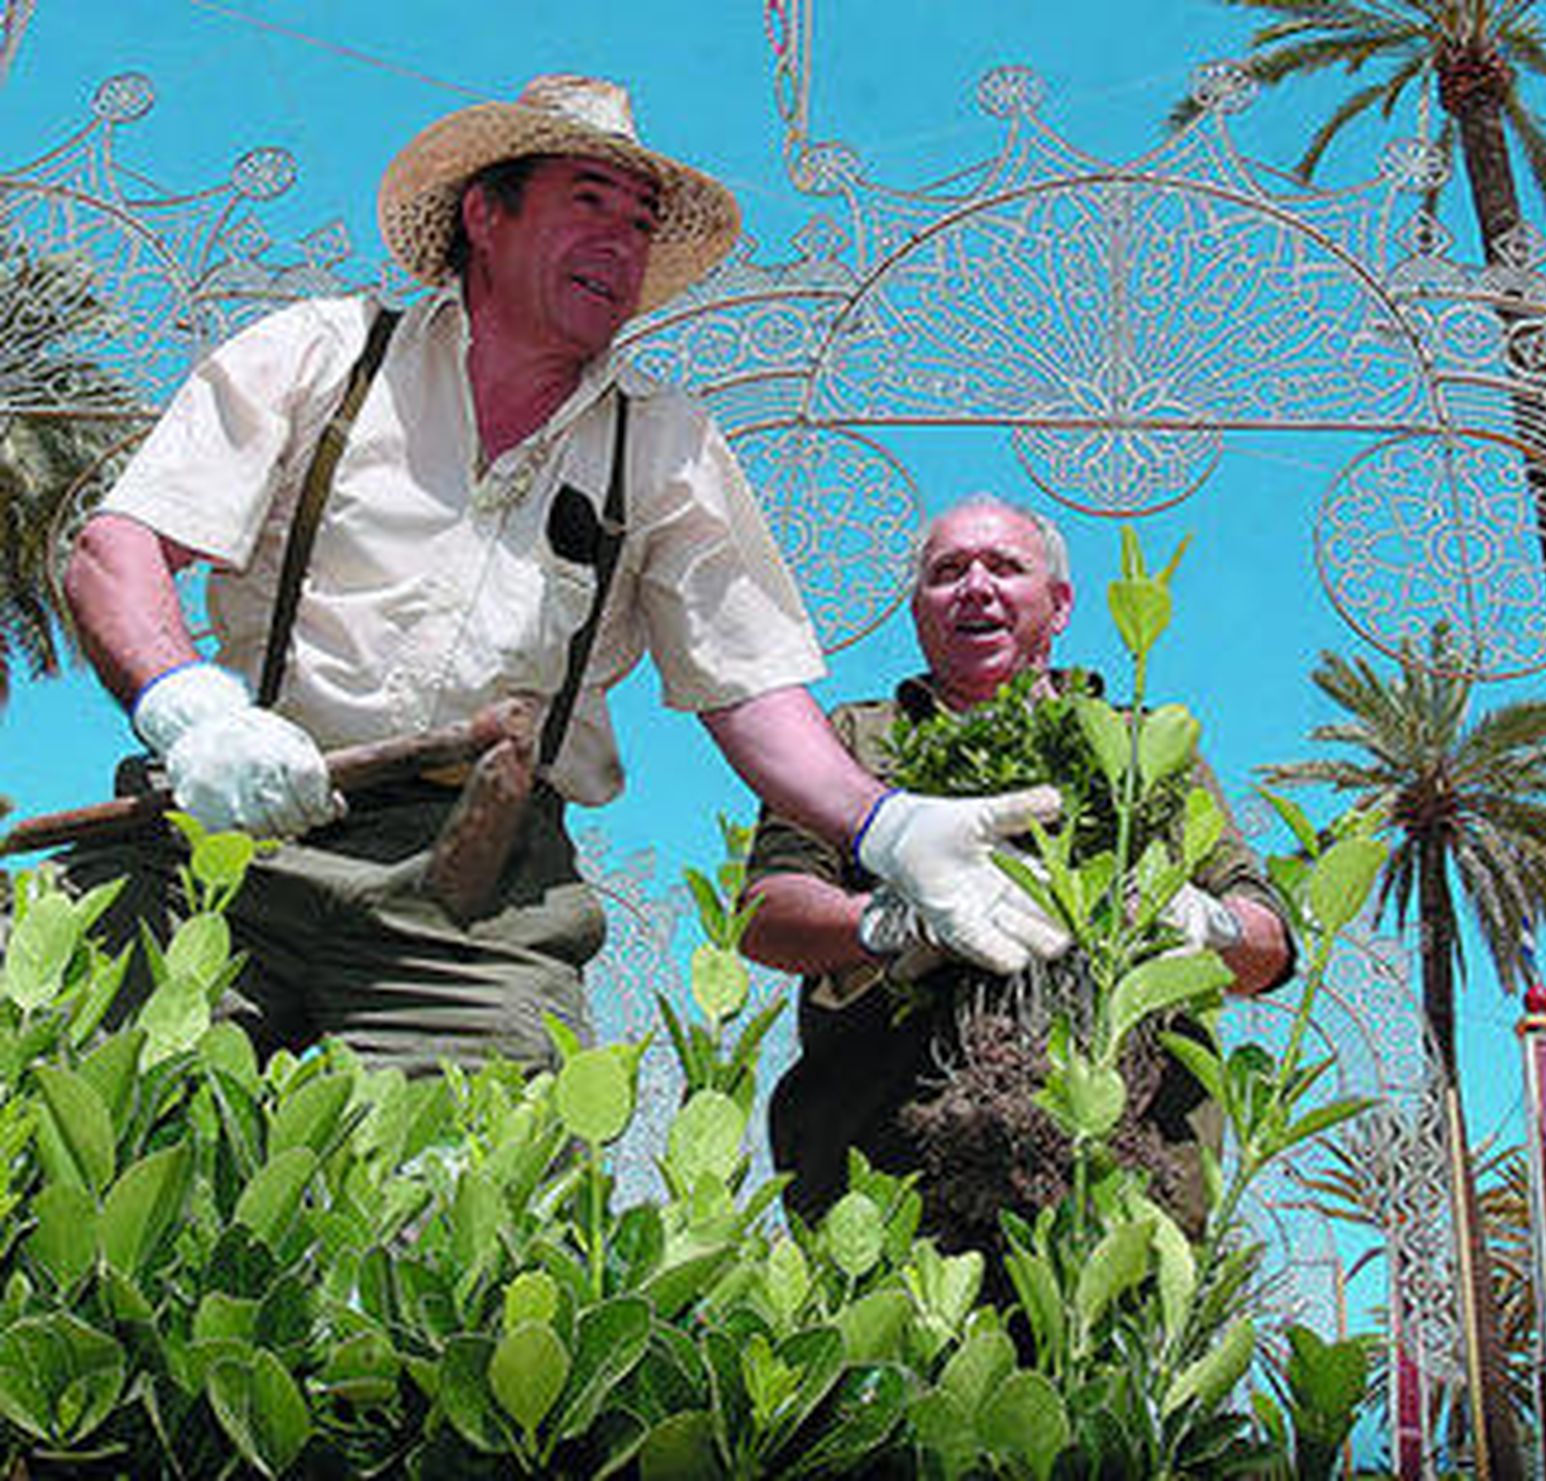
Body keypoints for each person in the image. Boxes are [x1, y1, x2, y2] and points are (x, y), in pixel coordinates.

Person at [59, 77, 1070, 1074]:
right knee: (80, 1118)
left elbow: (748, 684)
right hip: (231, 816)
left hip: (476, 877)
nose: (622, 245)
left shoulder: (664, 444)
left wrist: (883, 822)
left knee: (477, 1191)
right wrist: (195, 715)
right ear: (484, 214)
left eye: (640, 223)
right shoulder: (324, 354)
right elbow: (121, 549)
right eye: (589, 201)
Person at [740, 495, 1295, 1230]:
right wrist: (888, 924)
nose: (975, 585)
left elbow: (1270, 946)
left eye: (1004, 566)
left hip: (1126, 1183)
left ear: (1060, 605)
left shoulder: (1148, 747)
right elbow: (766, 915)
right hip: (883, 1177)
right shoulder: (853, 742)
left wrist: (1202, 921)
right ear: (917, 610)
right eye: (946, 572)